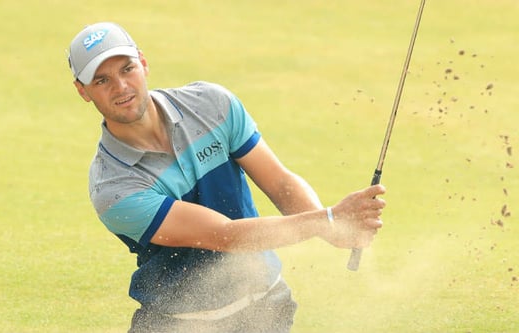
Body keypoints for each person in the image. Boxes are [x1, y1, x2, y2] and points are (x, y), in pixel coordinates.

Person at [67, 22, 386, 333]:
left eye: (127, 69)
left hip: (266, 308)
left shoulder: (212, 105)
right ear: (83, 91)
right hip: (179, 324)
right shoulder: (113, 189)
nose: (121, 87)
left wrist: (333, 229)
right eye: (101, 81)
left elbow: (279, 183)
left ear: (144, 63)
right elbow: (225, 236)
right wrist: (327, 219)